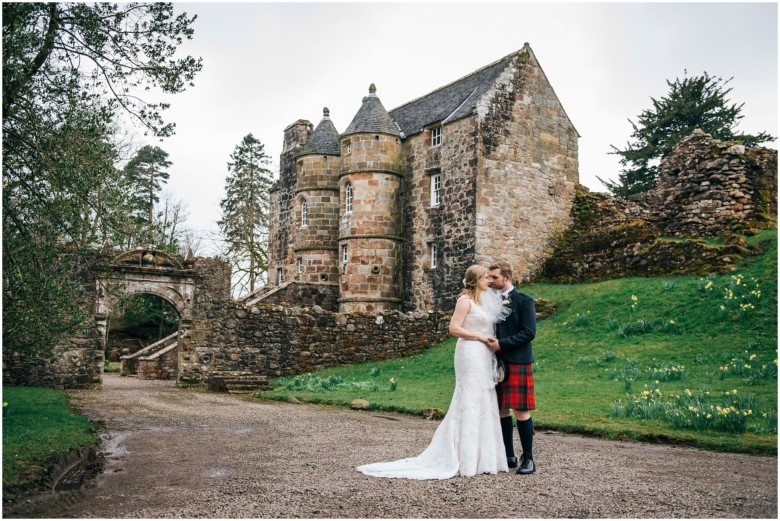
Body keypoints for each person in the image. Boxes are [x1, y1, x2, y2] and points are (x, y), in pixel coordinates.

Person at [356, 265, 509, 479]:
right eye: (485, 277)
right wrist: (479, 337)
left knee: (484, 395)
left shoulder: (483, 300)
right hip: (470, 352)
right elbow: (454, 328)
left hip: (483, 354)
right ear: (475, 280)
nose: (489, 281)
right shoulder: (464, 301)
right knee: (470, 396)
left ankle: (482, 457)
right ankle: (463, 456)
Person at [487, 261, 537, 475]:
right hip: (495, 361)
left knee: (521, 410)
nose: (490, 281)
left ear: (507, 278)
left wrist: (502, 344)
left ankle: (529, 459)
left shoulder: (523, 301)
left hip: (517, 360)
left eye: (494, 277)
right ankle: (508, 455)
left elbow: (529, 332)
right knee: (500, 410)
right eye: (489, 277)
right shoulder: (488, 301)